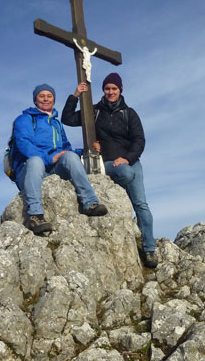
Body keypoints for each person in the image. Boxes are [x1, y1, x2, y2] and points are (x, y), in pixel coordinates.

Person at [61, 73, 158, 268]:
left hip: (131, 161)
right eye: (107, 88)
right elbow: (68, 118)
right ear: (103, 90)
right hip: (107, 164)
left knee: (141, 205)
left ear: (120, 90)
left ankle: (149, 250)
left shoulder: (129, 113)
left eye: (114, 88)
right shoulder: (94, 111)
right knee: (125, 174)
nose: (111, 92)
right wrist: (75, 96)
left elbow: (139, 140)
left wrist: (128, 158)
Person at [11, 83, 108, 234]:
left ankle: (90, 203)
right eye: (41, 96)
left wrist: (85, 151)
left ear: (54, 100)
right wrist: (49, 159)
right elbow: (23, 144)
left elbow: (66, 148)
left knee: (69, 156)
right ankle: (35, 215)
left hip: (52, 169)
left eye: (49, 96)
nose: (45, 99)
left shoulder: (57, 123)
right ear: (35, 100)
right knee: (36, 160)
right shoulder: (25, 119)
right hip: (30, 170)